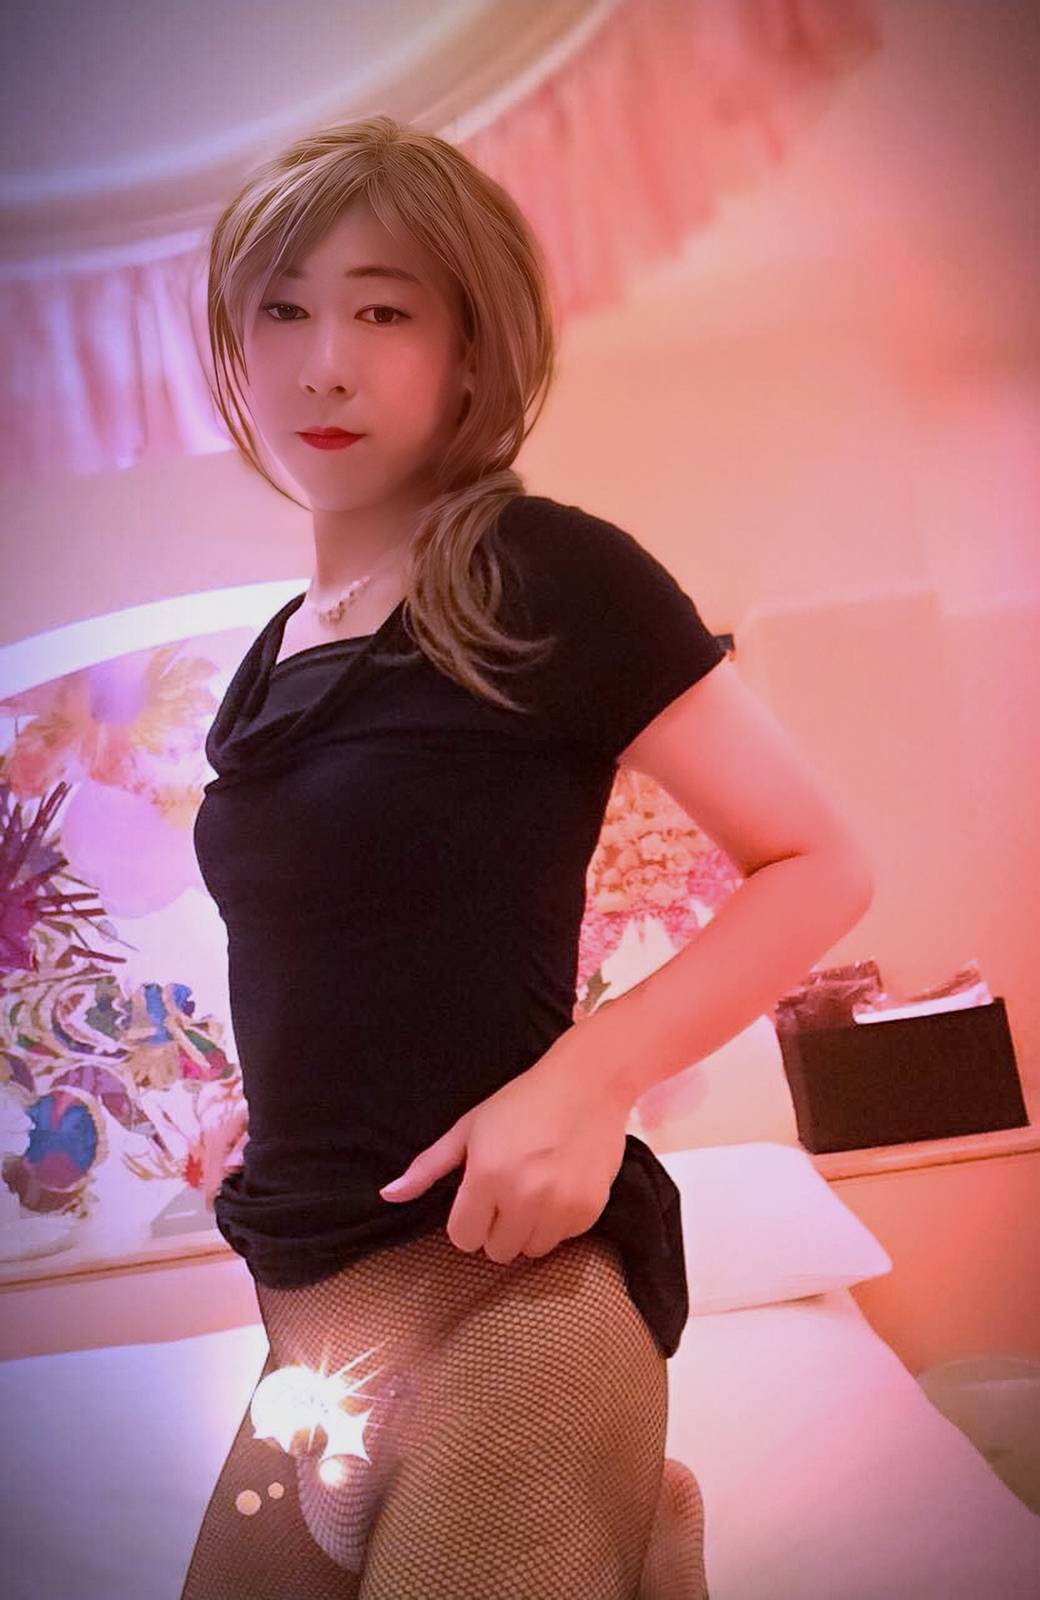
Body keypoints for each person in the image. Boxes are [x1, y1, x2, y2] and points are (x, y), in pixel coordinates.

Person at [183, 112, 733, 1600]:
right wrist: (265, 1109)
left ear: (472, 354)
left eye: (384, 311)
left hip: (512, 1302)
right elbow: (355, 942)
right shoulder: (274, 658)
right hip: (312, 1334)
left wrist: (592, 1076)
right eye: (281, 311)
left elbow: (822, 857)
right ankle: (644, 1539)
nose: (325, 363)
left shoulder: (544, 574)